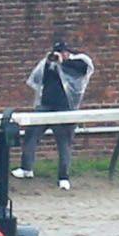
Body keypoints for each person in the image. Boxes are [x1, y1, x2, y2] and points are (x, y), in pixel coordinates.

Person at [30, 41, 93, 187]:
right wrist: (49, 63)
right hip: (46, 106)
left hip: (64, 108)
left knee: (64, 143)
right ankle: (27, 168)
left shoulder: (78, 62)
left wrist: (63, 63)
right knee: (31, 135)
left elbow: (82, 71)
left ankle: (63, 177)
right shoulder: (49, 65)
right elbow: (38, 80)